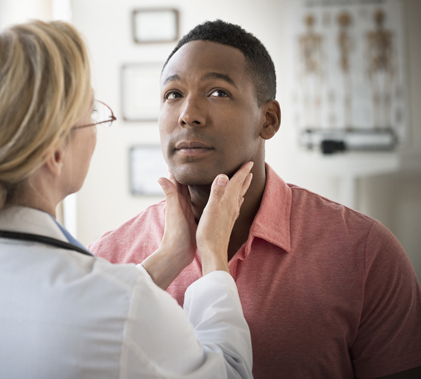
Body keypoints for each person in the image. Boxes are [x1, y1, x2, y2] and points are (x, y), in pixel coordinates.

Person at [0, 20, 256, 379]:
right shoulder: (116, 304)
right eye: (90, 113)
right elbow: (232, 370)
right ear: (55, 153)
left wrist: (170, 257)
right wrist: (213, 255)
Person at [90, 20, 421, 379]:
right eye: (173, 94)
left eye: (218, 92)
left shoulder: (365, 253)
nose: (188, 115)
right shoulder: (108, 260)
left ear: (268, 120)